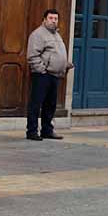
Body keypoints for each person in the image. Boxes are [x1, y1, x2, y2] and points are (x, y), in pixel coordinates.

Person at [26, 8, 73, 142]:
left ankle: (47, 130)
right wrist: (42, 70)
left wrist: (64, 64)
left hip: (54, 75)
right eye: (51, 18)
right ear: (44, 20)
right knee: (36, 104)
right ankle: (32, 131)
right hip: (42, 75)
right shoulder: (38, 34)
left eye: (56, 19)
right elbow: (33, 55)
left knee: (50, 105)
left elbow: (54, 54)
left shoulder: (56, 35)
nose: (54, 21)